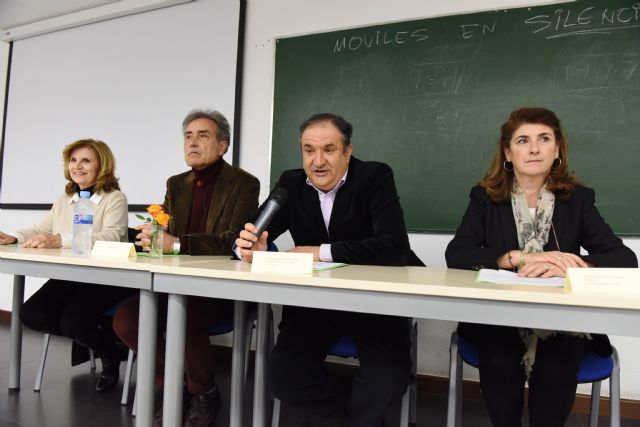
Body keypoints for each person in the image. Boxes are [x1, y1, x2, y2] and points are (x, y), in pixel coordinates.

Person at [445, 107, 638, 427]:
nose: (534, 148)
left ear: (557, 148)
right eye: (523, 140)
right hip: (500, 315)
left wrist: (574, 266)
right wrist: (517, 257)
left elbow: (624, 259)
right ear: (508, 152)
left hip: (562, 320)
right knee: (499, 360)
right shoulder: (485, 199)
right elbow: (458, 253)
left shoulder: (578, 200)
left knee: (556, 366)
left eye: (544, 139)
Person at [235, 113, 424, 427]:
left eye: (329, 149)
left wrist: (319, 253)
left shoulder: (374, 176)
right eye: (309, 150)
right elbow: (252, 233)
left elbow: (393, 246)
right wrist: (250, 247)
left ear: (347, 152)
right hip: (316, 305)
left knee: (388, 378)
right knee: (283, 377)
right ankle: (360, 415)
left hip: (373, 304)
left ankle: (362, 411)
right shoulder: (290, 183)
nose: (317, 160)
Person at [112, 109, 259, 427]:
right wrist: (152, 234)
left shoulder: (244, 184)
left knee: (186, 315)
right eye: (188, 136)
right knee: (126, 319)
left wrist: (176, 244)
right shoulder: (176, 183)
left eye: (202, 136)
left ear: (223, 146)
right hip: (176, 282)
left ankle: (204, 391)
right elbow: (163, 225)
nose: (192, 142)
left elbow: (232, 241)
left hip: (221, 285)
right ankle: (173, 384)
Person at [3, 139, 133, 392]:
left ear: (101, 165)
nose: (77, 166)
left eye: (85, 160)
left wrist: (61, 239)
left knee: (72, 323)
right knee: (31, 314)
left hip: (105, 278)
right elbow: (43, 228)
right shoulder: (66, 198)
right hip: (72, 274)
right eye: (73, 160)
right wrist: (15, 237)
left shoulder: (114, 198)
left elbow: (113, 236)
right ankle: (107, 346)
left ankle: (108, 355)